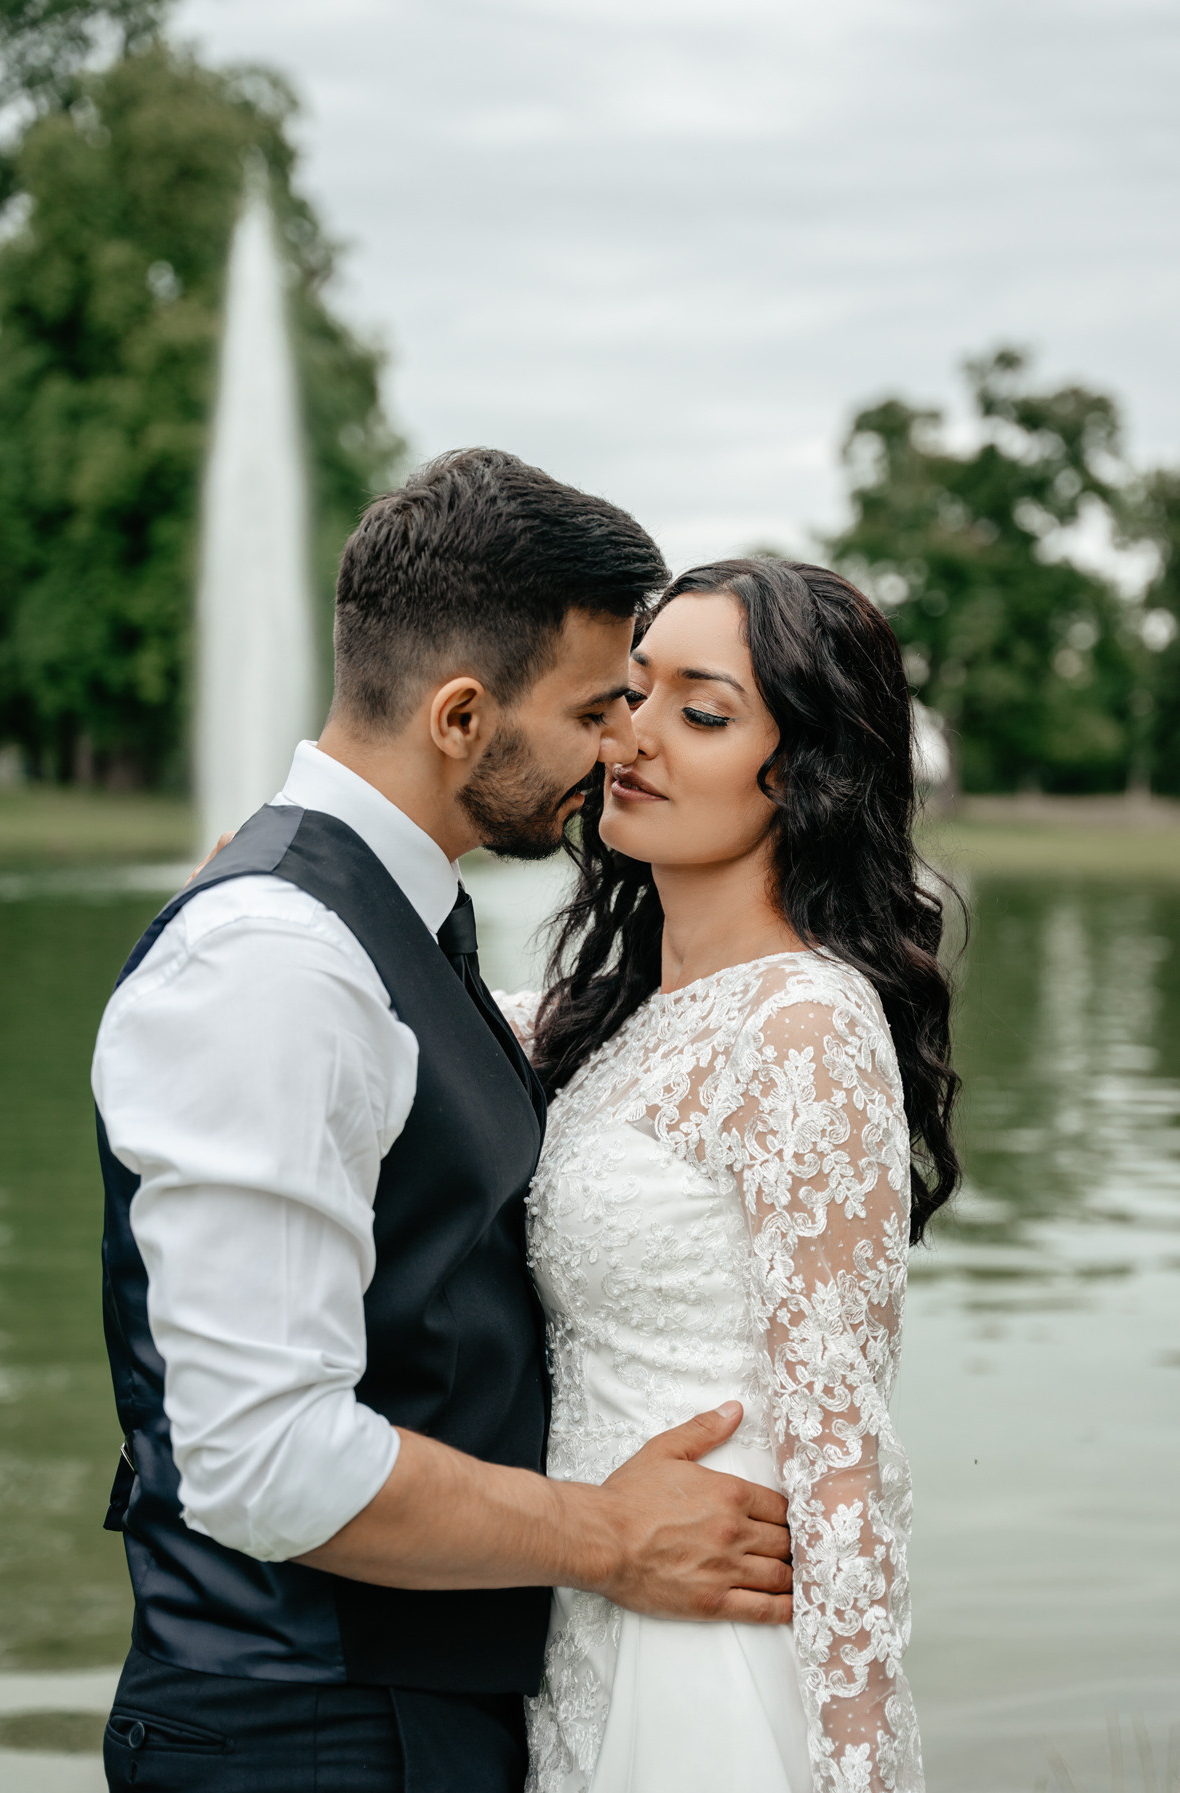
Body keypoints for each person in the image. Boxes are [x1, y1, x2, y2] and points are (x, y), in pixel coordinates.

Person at [92, 454, 795, 1793]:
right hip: (302, 1738)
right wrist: (609, 1538)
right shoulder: (277, 961)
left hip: (401, 1718)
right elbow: (266, 1458)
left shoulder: (374, 921)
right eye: (596, 708)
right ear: (464, 715)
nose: (617, 748)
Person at [498, 558, 962, 1793]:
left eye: (700, 712)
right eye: (631, 693)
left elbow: (840, 1444)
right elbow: (432, 1022)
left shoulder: (803, 1025)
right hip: (588, 1611)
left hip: (710, 1647)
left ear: (804, 773)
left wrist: (853, 1763)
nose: (632, 737)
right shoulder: (615, 1016)